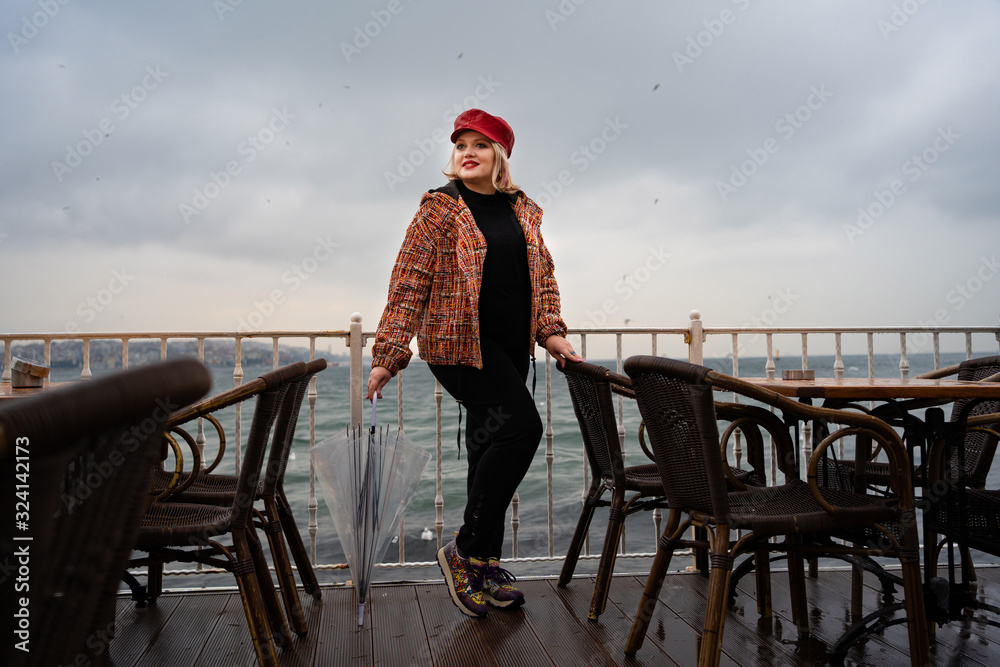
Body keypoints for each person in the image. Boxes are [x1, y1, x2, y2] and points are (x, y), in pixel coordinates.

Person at [366, 108, 582, 618]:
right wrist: (389, 355)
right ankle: (463, 550)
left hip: (508, 348)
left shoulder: (522, 210)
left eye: (480, 145)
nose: (468, 153)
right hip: (458, 346)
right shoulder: (438, 210)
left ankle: (481, 567)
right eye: (461, 144)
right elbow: (408, 283)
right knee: (522, 429)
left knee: (487, 446)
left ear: (499, 156)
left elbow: (542, 279)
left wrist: (552, 334)